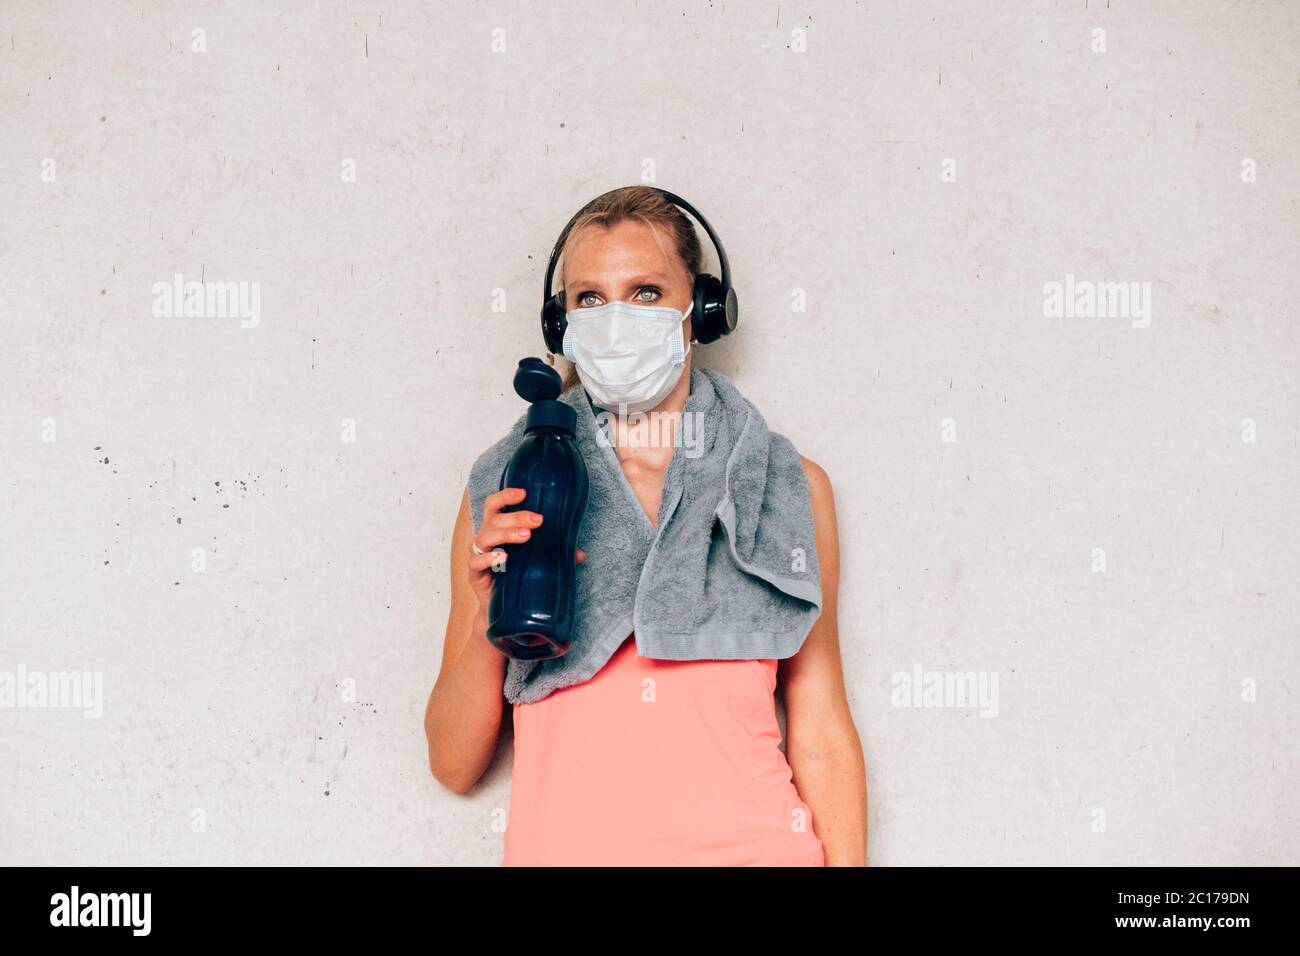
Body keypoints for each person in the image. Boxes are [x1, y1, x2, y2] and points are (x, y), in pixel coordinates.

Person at [425, 185, 867, 865]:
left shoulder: (788, 488)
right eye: (591, 299)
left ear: (703, 312)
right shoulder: (504, 492)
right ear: (561, 323)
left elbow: (822, 726)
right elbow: (453, 763)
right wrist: (492, 618)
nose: (617, 318)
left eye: (647, 292)